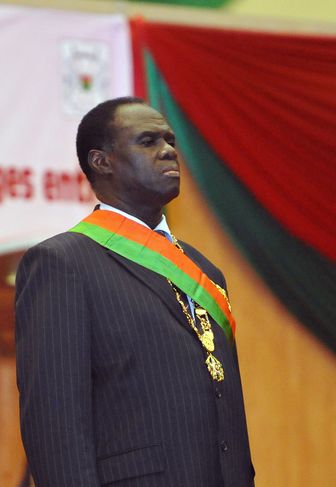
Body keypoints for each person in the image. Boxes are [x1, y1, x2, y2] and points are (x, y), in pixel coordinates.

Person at [15, 97, 254, 486]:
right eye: (147, 141)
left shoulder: (205, 272)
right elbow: (55, 426)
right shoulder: (63, 263)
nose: (168, 151)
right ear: (101, 161)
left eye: (170, 141)